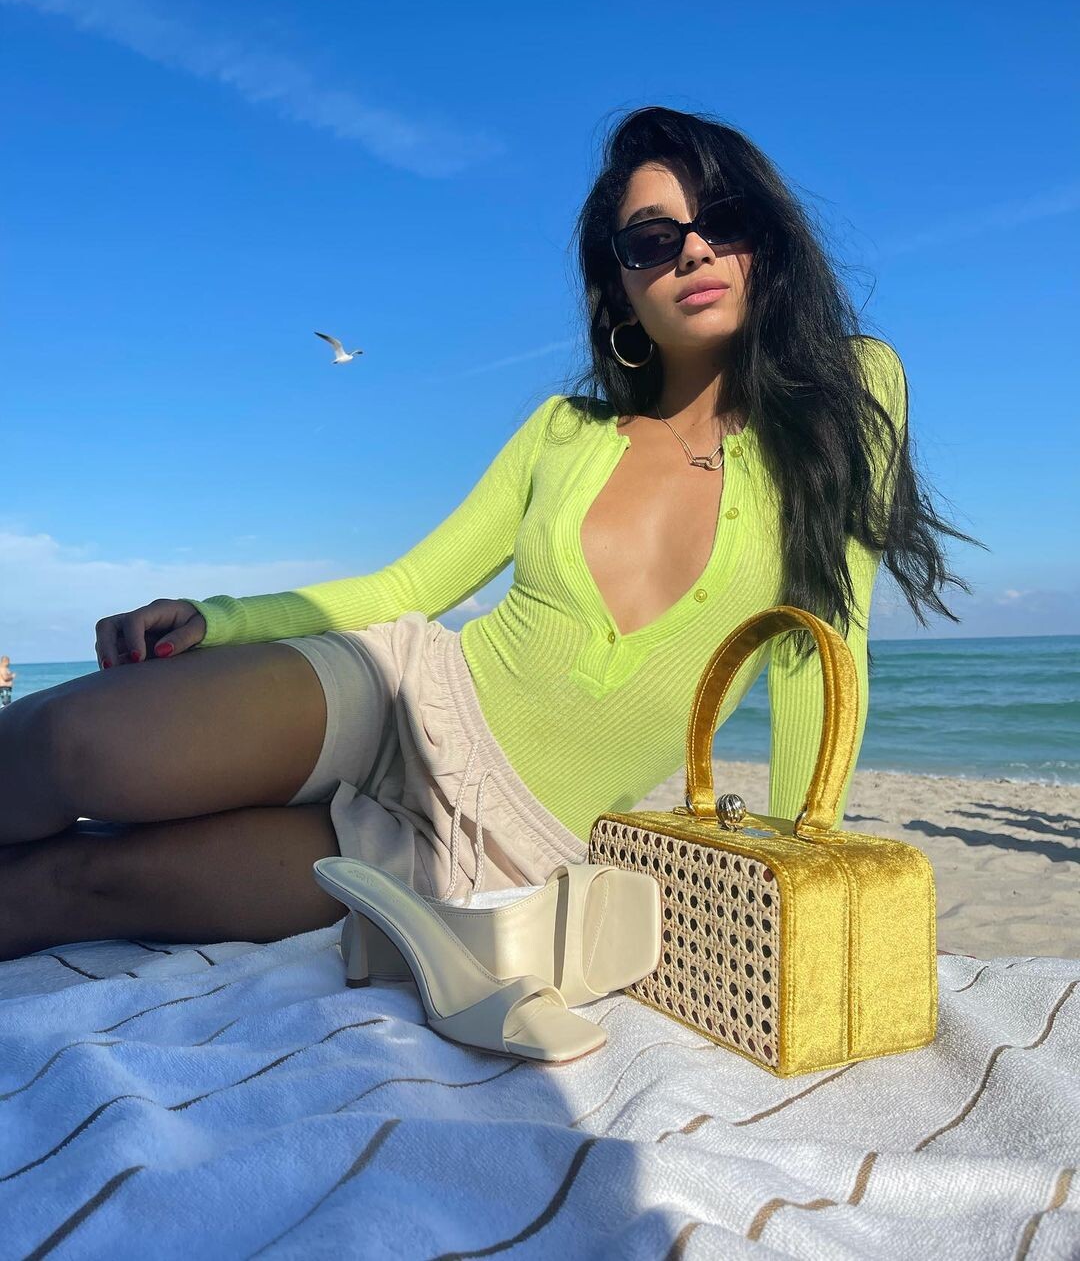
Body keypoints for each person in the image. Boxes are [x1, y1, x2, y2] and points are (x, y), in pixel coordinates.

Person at [0, 106, 982, 962]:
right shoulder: (566, 431)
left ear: (768, 240)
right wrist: (217, 617)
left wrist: (803, 869)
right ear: (620, 285)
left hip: (498, 851)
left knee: (79, 884)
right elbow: (407, 587)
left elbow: (821, 645)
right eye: (651, 239)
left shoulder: (855, 390)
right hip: (403, 698)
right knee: (69, 743)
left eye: (723, 222)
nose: (692, 251)